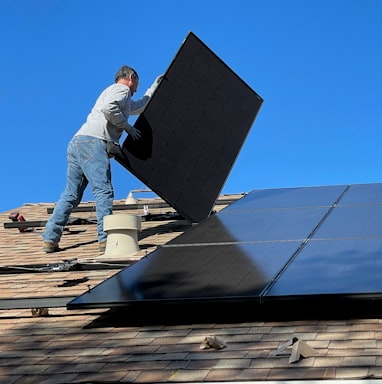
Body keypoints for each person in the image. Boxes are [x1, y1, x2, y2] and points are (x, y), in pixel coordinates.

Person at [42, 65, 162, 253]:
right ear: (131, 77)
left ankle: (50, 238)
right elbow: (109, 109)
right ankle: (105, 240)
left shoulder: (114, 92)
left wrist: (153, 88)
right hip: (93, 143)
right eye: (137, 83)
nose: (136, 88)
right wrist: (127, 127)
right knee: (103, 190)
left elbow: (137, 107)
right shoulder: (121, 89)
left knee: (71, 195)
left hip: (78, 142)